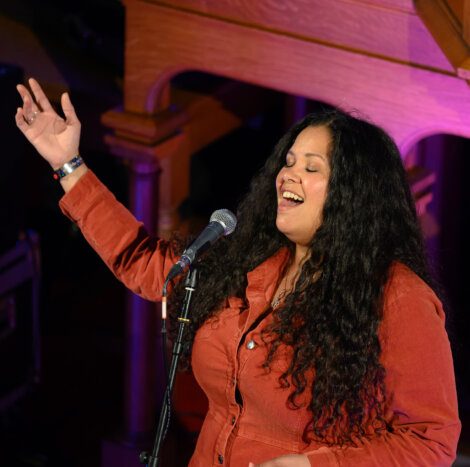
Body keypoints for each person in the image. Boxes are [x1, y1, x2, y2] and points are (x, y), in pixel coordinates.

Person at [15, 78, 460, 466]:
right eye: (288, 162)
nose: (288, 175)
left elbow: (431, 441)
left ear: (355, 194)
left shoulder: (398, 297)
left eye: (311, 168)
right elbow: (147, 265)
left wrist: (315, 464)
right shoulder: (245, 259)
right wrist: (68, 165)